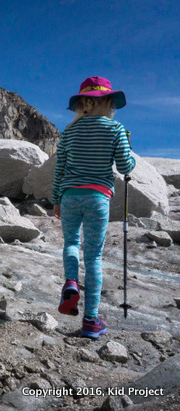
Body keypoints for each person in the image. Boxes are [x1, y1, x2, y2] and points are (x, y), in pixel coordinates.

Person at [52, 76, 136, 339]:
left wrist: (56, 198)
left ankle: (71, 283)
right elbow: (125, 167)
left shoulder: (69, 131)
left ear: (82, 103)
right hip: (98, 197)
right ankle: (90, 321)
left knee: (71, 244)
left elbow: (60, 168)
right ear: (110, 102)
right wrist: (129, 153)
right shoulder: (116, 129)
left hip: (69, 196)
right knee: (94, 258)